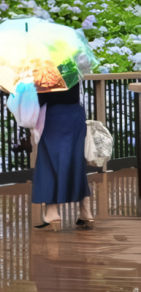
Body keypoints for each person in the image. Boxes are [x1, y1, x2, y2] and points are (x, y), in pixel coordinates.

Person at [32, 80, 94, 230]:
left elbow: (41, 99)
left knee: (48, 162)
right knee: (76, 163)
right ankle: (86, 212)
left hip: (53, 116)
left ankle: (52, 214)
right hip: (75, 115)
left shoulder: (42, 69)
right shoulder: (70, 64)